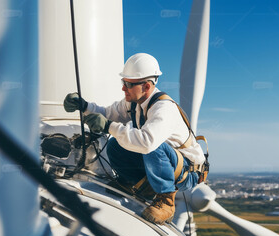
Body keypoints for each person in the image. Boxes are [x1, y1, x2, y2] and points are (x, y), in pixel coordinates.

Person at [63, 53, 205, 224]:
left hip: (187, 172)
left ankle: (166, 201)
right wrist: (84, 106)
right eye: (123, 82)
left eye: (128, 84)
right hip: (164, 163)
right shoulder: (133, 103)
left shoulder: (163, 108)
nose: (123, 88)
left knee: (151, 145)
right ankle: (130, 183)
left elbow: (147, 143)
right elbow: (108, 114)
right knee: (116, 144)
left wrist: (109, 126)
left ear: (146, 86)